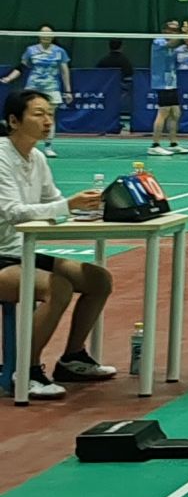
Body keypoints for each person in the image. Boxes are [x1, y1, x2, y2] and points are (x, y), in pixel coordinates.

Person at [0, 89, 117, 399]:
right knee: (59, 287)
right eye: (39, 114)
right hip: (2, 256)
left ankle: (72, 358)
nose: (48, 121)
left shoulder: (37, 157)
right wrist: (67, 205)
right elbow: (13, 212)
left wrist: (90, 208)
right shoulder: (1, 157)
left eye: (50, 114)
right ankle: (26, 371)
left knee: (98, 280)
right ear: (14, 120)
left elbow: (53, 201)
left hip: (20, 252)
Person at [147, 16, 188, 154]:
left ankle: (173, 143)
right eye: (172, 29)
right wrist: (183, 33)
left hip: (171, 81)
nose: (174, 32)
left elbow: (178, 45)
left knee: (175, 113)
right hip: (161, 82)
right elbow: (171, 44)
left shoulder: (175, 44)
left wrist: (186, 36)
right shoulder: (158, 41)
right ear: (165, 30)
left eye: (176, 30)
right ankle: (155, 145)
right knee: (163, 112)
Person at [5, 27, 74, 118]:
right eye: (43, 34)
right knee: (31, 115)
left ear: (53, 36)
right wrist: (9, 77)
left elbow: (65, 72)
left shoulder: (60, 51)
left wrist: (68, 91)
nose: (46, 36)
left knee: (49, 117)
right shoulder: (30, 50)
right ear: (39, 35)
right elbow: (21, 67)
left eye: (48, 34)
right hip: (33, 88)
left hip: (52, 89)